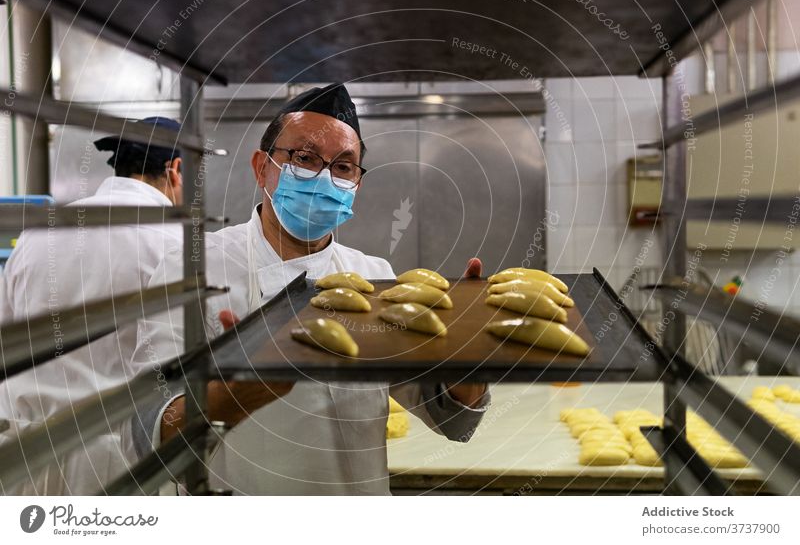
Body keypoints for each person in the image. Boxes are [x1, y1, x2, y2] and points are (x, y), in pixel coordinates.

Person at [133, 84, 491, 495]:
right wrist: (226, 400)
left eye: (343, 167)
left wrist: (471, 363)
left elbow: (452, 420)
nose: (324, 177)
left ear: (357, 183)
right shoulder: (192, 268)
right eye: (304, 159)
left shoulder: (374, 276)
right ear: (261, 167)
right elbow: (149, 430)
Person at [0, 117, 185, 494]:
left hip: (27, 459)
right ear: (176, 170)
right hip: (125, 462)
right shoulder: (176, 243)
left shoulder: (38, 234)